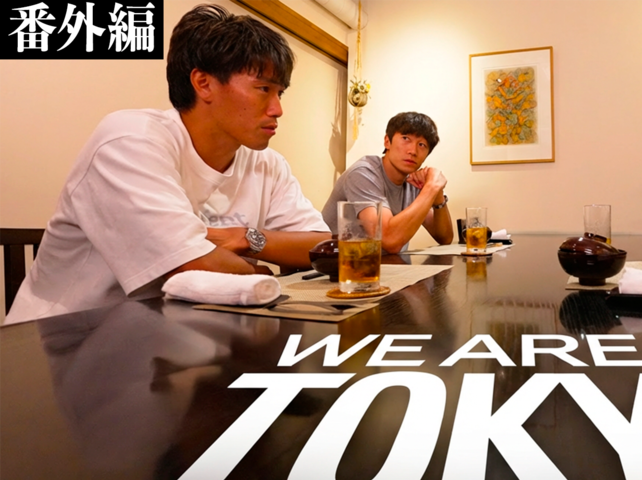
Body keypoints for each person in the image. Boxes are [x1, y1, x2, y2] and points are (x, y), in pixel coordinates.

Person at [5, 5, 331, 324]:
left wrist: (247, 238)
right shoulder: (130, 140)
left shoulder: (267, 164)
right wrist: (258, 271)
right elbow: (190, 266)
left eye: (280, 93)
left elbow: (324, 248)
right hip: (63, 339)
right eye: (263, 89)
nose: (277, 109)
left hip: (180, 333)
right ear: (203, 83)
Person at [323, 112, 453, 254]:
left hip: (380, 264)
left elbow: (445, 238)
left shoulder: (412, 181)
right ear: (387, 141)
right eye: (405, 138)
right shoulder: (363, 173)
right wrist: (432, 187)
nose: (413, 151)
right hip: (338, 264)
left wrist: (438, 195)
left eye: (422, 145)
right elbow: (389, 240)